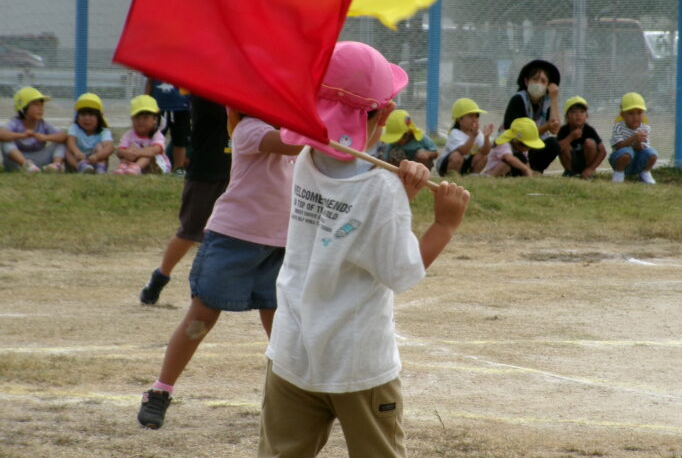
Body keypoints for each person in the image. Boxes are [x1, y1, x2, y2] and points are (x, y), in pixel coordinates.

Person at [258, 40, 470, 458]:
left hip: (293, 352)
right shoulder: (381, 188)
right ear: (385, 114)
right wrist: (444, 226)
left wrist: (398, 200)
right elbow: (401, 272)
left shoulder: (306, 159)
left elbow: (345, 227)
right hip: (359, 363)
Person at [136, 111, 301, 429]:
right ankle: (160, 391)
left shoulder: (293, 130)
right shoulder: (250, 128)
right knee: (200, 319)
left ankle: (290, 398)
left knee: (279, 327)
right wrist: (328, 124)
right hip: (232, 240)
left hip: (279, 244)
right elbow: (292, 145)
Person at [139, 95, 232, 305]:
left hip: (234, 172)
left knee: (231, 233)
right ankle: (160, 277)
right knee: (190, 231)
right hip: (205, 174)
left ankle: (214, 287)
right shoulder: (205, 96)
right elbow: (224, 112)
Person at [501, 59, 561, 173]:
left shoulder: (547, 102)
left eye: (543, 81)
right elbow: (521, 135)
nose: (539, 84)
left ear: (548, 85)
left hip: (533, 146)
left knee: (554, 144)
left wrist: (554, 99)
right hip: (516, 146)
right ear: (526, 81)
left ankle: (535, 171)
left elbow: (555, 129)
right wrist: (547, 127)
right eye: (535, 79)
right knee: (519, 156)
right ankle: (526, 171)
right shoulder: (518, 100)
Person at [1, 86, 66, 173]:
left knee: (61, 143)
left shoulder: (43, 124)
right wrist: (22, 135)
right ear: (23, 108)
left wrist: (45, 137)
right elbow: (1, 134)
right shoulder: (15, 123)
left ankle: (55, 166)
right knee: (5, 141)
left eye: (41, 105)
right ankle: (26, 165)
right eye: (35, 105)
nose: (40, 109)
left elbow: (63, 136)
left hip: (38, 160)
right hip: (17, 163)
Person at [114, 95, 171, 175]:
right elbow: (119, 151)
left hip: (157, 166)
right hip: (136, 161)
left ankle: (135, 168)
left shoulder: (156, 135)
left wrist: (137, 153)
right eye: (137, 118)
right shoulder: (129, 135)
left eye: (145, 117)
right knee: (129, 150)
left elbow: (155, 150)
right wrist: (127, 153)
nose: (141, 121)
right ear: (132, 119)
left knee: (147, 154)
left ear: (154, 119)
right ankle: (124, 168)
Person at [436, 97, 493, 176]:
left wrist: (486, 138)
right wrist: (472, 137)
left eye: (476, 116)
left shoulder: (477, 133)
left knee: (483, 156)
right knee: (457, 156)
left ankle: (473, 176)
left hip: (464, 164)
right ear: (459, 120)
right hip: (446, 166)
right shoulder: (455, 133)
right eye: (470, 116)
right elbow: (463, 151)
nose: (474, 120)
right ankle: (452, 177)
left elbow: (485, 152)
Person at [608, 92, 657, 184]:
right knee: (626, 152)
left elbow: (642, 149)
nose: (635, 117)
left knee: (652, 154)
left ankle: (645, 173)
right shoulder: (618, 127)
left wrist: (638, 142)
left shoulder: (645, 128)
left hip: (637, 162)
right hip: (620, 161)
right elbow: (618, 147)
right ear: (622, 115)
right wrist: (634, 137)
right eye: (631, 114)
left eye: (639, 113)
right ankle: (619, 174)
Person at [145, 76, 191, 174]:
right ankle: (151, 165)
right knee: (153, 138)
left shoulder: (187, 62)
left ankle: (179, 168)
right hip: (158, 106)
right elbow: (150, 80)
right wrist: (147, 101)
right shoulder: (155, 62)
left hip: (181, 106)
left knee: (180, 140)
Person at [557, 96, 606, 179]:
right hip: (571, 161)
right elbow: (557, 148)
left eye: (582, 111)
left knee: (589, 142)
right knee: (564, 145)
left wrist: (590, 169)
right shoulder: (563, 130)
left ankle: (589, 173)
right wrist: (570, 137)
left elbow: (602, 151)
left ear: (587, 116)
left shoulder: (589, 130)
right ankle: (569, 172)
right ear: (567, 116)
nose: (578, 115)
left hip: (587, 163)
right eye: (573, 112)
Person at [65, 92, 114, 174]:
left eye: (91, 115)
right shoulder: (75, 128)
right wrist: (77, 152)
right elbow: (71, 142)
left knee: (100, 147)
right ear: (78, 116)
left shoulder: (103, 131)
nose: (87, 118)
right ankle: (80, 168)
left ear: (99, 117)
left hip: (95, 160)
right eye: (83, 114)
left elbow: (109, 148)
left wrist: (97, 156)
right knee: (67, 150)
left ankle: (100, 168)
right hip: (79, 160)